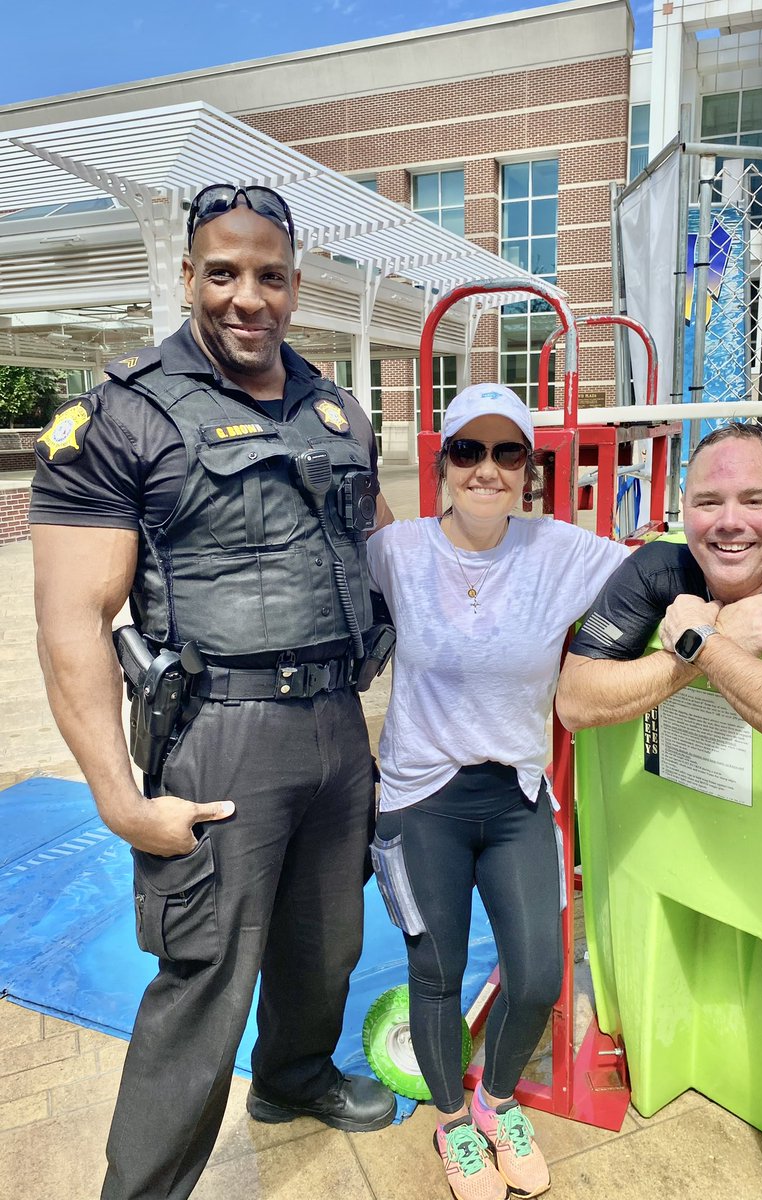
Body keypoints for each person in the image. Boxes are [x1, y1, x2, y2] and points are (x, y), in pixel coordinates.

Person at [30, 184, 396, 1200]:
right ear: (189, 276)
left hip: (334, 721)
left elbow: (382, 549)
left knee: (328, 942)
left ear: (295, 285)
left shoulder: (335, 407)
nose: (248, 297)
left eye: (269, 276)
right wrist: (115, 795)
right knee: (202, 980)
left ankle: (294, 1075)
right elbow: (71, 622)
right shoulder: (118, 416)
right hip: (219, 732)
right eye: (223, 273)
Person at [365, 383, 631, 1200]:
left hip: (516, 795)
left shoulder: (561, 550)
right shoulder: (398, 550)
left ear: (528, 469)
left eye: (507, 452)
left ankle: (499, 1100)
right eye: (468, 451)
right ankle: (453, 1123)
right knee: (437, 975)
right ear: (443, 463)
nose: (487, 469)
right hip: (421, 800)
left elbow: (661, 569)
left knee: (541, 974)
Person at [557, 421, 762, 764]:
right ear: (685, 508)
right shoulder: (656, 569)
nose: (730, 521)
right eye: (709, 502)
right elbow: (573, 703)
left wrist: (705, 644)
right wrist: (723, 636)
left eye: (754, 501)